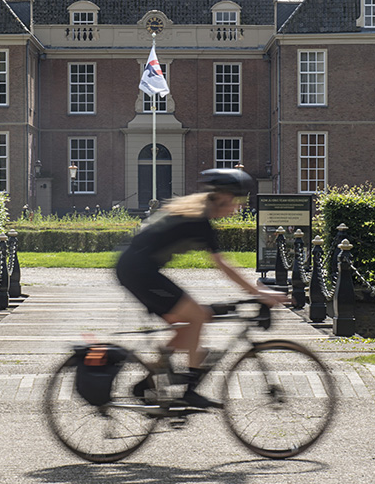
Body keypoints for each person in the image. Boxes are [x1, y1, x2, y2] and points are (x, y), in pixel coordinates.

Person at [115, 168, 285, 409]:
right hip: (139, 272)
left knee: (190, 324)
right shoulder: (199, 219)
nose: (239, 207)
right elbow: (223, 265)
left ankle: (150, 380)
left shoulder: (195, 212)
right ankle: (188, 392)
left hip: (138, 270)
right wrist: (259, 293)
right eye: (237, 201)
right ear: (224, 196)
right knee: (197, 316)